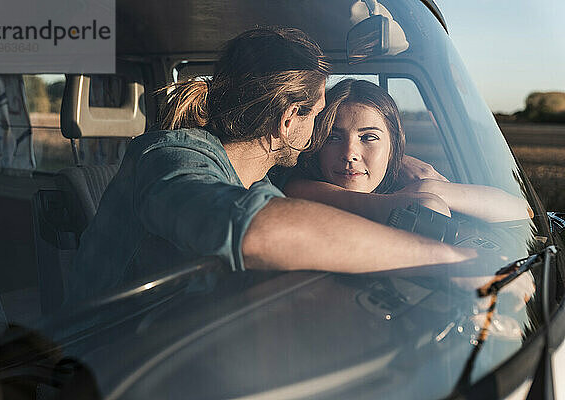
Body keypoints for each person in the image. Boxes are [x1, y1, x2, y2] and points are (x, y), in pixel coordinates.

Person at [67, 28, 475, 302]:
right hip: (101, 367)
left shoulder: (260, 176)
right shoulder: (169, 157)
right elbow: (255, 231)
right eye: (318, 116)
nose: (320, 132)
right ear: (288, 120)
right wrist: (448, 261)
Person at [284, 79, 532, 224]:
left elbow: (523, 211)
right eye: (333, 137)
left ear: (394, 146)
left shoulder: (399, 188)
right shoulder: (297, 189)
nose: (350, 153)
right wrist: (427, 192)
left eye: (368, 137)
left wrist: (432, 186)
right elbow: (426, 206)